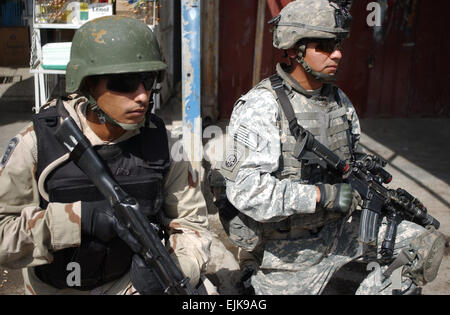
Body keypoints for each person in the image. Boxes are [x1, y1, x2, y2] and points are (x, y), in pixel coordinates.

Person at [213, 0, 444, 295]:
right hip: (288, 255)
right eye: (323, 45)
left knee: (420, 246)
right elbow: (247, 192)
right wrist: (322, 195)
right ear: (295, 48)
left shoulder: (338, 100)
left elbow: (354, 156)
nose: (337, 53)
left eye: (337, 44)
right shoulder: (261, 106)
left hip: (340, 233)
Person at [0, 16, 213, 295]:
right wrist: (78, 219)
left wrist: (176, 269)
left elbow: (191, 224)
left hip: (126, 283)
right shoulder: (37, 143)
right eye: (124, 83)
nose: (142, 96)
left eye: (147, 81)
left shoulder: (165, 147)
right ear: (88, 85)